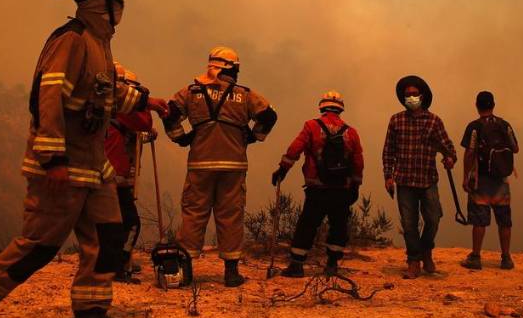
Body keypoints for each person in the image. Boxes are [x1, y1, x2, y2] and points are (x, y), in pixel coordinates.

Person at [0, 0, 168, 318]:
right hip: (64, 165)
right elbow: (48, 97)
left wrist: (144, 101)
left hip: (93, 167)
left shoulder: (99, 44)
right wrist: (52, 160)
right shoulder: (72, 40)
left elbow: (100, 95)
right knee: (40, 244)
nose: (122, 5)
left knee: (108, 237)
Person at [162, 46, 278, 287]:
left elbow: (168, 113)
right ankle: (231, 272)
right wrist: (253, 137)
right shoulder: (245, 95)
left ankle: (186, 271)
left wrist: (181, 138)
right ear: (232, 69)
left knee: (194, 213)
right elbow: (269, 116)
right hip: (233, 166)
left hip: (200, 164)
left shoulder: (191, 92)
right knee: (231, 214)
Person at [272, 91, 364, 278]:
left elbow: (295, 149)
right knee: (338, 226)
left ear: (322, 107)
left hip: (317, 188)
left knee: (307, 224)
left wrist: (282, 169)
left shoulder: (312, 126)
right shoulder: (351, 132)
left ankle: (297, 265)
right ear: (340, 109)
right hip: (341, 189)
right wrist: (355, 185)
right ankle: (332, 265)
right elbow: (358, 162)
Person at [382, 75, 457, 278]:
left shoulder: (434, 121)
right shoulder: (396, 120)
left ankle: (426, 250)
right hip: (404, 180)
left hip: (427, 180)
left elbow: (449, 149)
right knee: (409, 224)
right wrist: (388, 176)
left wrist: (450, 159)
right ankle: (414, 261)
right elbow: (388, 151)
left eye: (414, 94)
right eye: (407, 95)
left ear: (422, 96)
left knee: (433, 219)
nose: (411, 97)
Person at [459, 91, 519, 270]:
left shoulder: (474, 127)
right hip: (501, 180)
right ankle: (506, 258)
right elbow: (515, 148)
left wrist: (465, 177)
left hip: (481, 179)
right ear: (493, 105)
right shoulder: (504, 125)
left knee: (479, 220)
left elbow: (469, 153)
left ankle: (476, 257)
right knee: (504, 220)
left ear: (477, 106)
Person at [106, 64, 155, 282]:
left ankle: (111, 264)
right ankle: (118, 266)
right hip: (115, 177)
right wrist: (143, 101)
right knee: (130, 223)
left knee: (106, 223)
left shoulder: (104, 107)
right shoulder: (121, 108)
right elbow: (143, 122)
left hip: (105, 176)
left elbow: (130, 133)